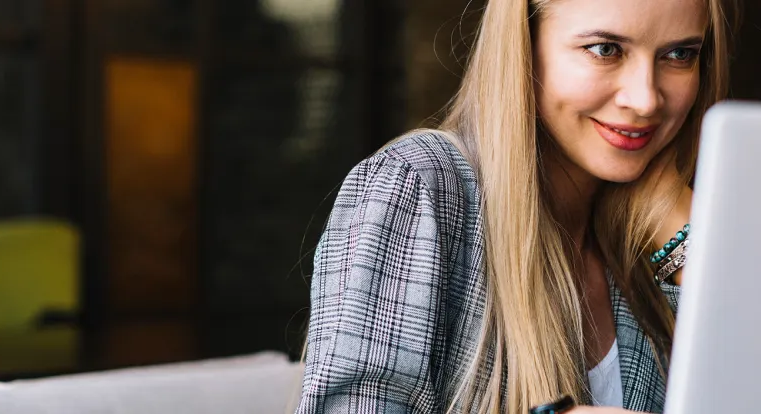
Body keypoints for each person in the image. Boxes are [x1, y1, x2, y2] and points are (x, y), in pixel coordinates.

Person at [298, 0, 737, 412]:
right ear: (525, 47)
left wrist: (680, 226)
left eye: (679, 55)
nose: (645, 100)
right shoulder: (420, 186)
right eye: (605, 49)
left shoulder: (656, 229)